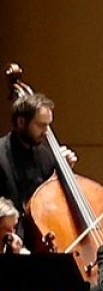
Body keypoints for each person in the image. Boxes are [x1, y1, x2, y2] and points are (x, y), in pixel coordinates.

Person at [0, 93, 77, 243]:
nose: (46, 132)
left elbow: (53, 201)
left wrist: (64, 170)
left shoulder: (46, 155)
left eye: (48, 125)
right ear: (21, 122)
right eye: (41, 125)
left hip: (41, 237)